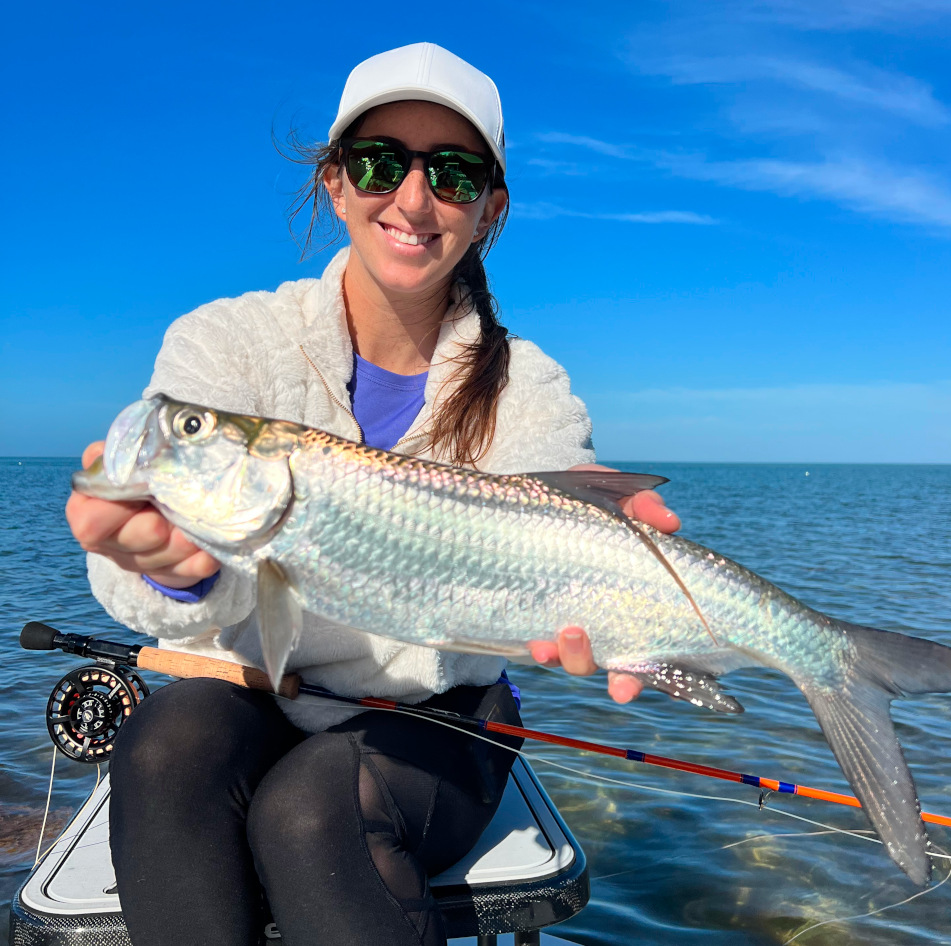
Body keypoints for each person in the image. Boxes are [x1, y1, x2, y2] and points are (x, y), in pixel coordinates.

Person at [65, 43, 680, 946]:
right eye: (381, 161)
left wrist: (609, 604)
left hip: (442, 719)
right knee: (161, 749)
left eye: (456, 172)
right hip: (250, 689)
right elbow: (161, 578)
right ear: (335, 184)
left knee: (312, 812)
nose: (415, 197)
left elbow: (552, 570)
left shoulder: (531, 389)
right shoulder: (225, 344)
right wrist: (177, 575)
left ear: (490, 211)